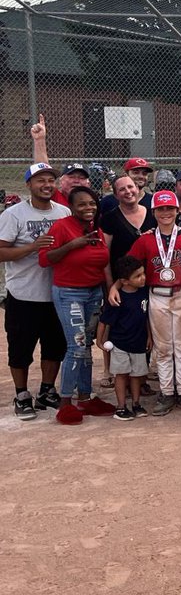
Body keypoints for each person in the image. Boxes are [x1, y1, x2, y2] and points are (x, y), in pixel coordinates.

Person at [124, 189, 181, 415]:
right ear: (153, 212)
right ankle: (167, 392)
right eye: (161, 209)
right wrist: (117, 286)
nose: (166, 213)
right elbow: (129, 265)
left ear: (178, 211)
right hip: (157, 294)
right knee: (162, 347)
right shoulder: (146, 239)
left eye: (170, 208)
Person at [1, 162, 70, 419]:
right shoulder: (14, 214)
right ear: (29, 184)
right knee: (20, 349)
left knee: (55, 346)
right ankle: (21, 394)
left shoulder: (63, 212)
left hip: (56, 292)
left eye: (51, 180)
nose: (47, 185)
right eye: (40, 180)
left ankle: (46, 391)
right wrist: (33, 247)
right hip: (24, 294)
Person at [39, 185, 112, 413]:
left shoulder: (95, 228)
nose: (88, 208)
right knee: (76, 345)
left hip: (93, 292)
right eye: (81, 204)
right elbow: (45, 259)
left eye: (92, 203)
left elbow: (101, 262)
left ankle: (85, 396)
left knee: (86, 345)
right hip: (69, 292)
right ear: (71, 207)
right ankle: (65, 402)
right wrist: (72, 245)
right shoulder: (61, 227)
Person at [97, 255, 150, 421]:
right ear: (125, 281)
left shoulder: (144, 292)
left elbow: (146, 317)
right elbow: (104, 321)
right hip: (119, 344)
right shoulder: (116, 298)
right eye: (137, 276)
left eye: (143, 273)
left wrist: (149, 336)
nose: (143, 278)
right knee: (121, 375)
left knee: (136, 375)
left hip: (139, 342)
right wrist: (99, 341)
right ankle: (121, 407)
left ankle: (136, 404)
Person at [101, 176, 154, 264]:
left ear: (137, 189)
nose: (128, 191)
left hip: (151, 269)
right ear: (116, 195)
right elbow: (105, 255)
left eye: (130, 187)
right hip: (122, 271)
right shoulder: (109, 219)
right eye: (122, 189)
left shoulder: (153, 214)